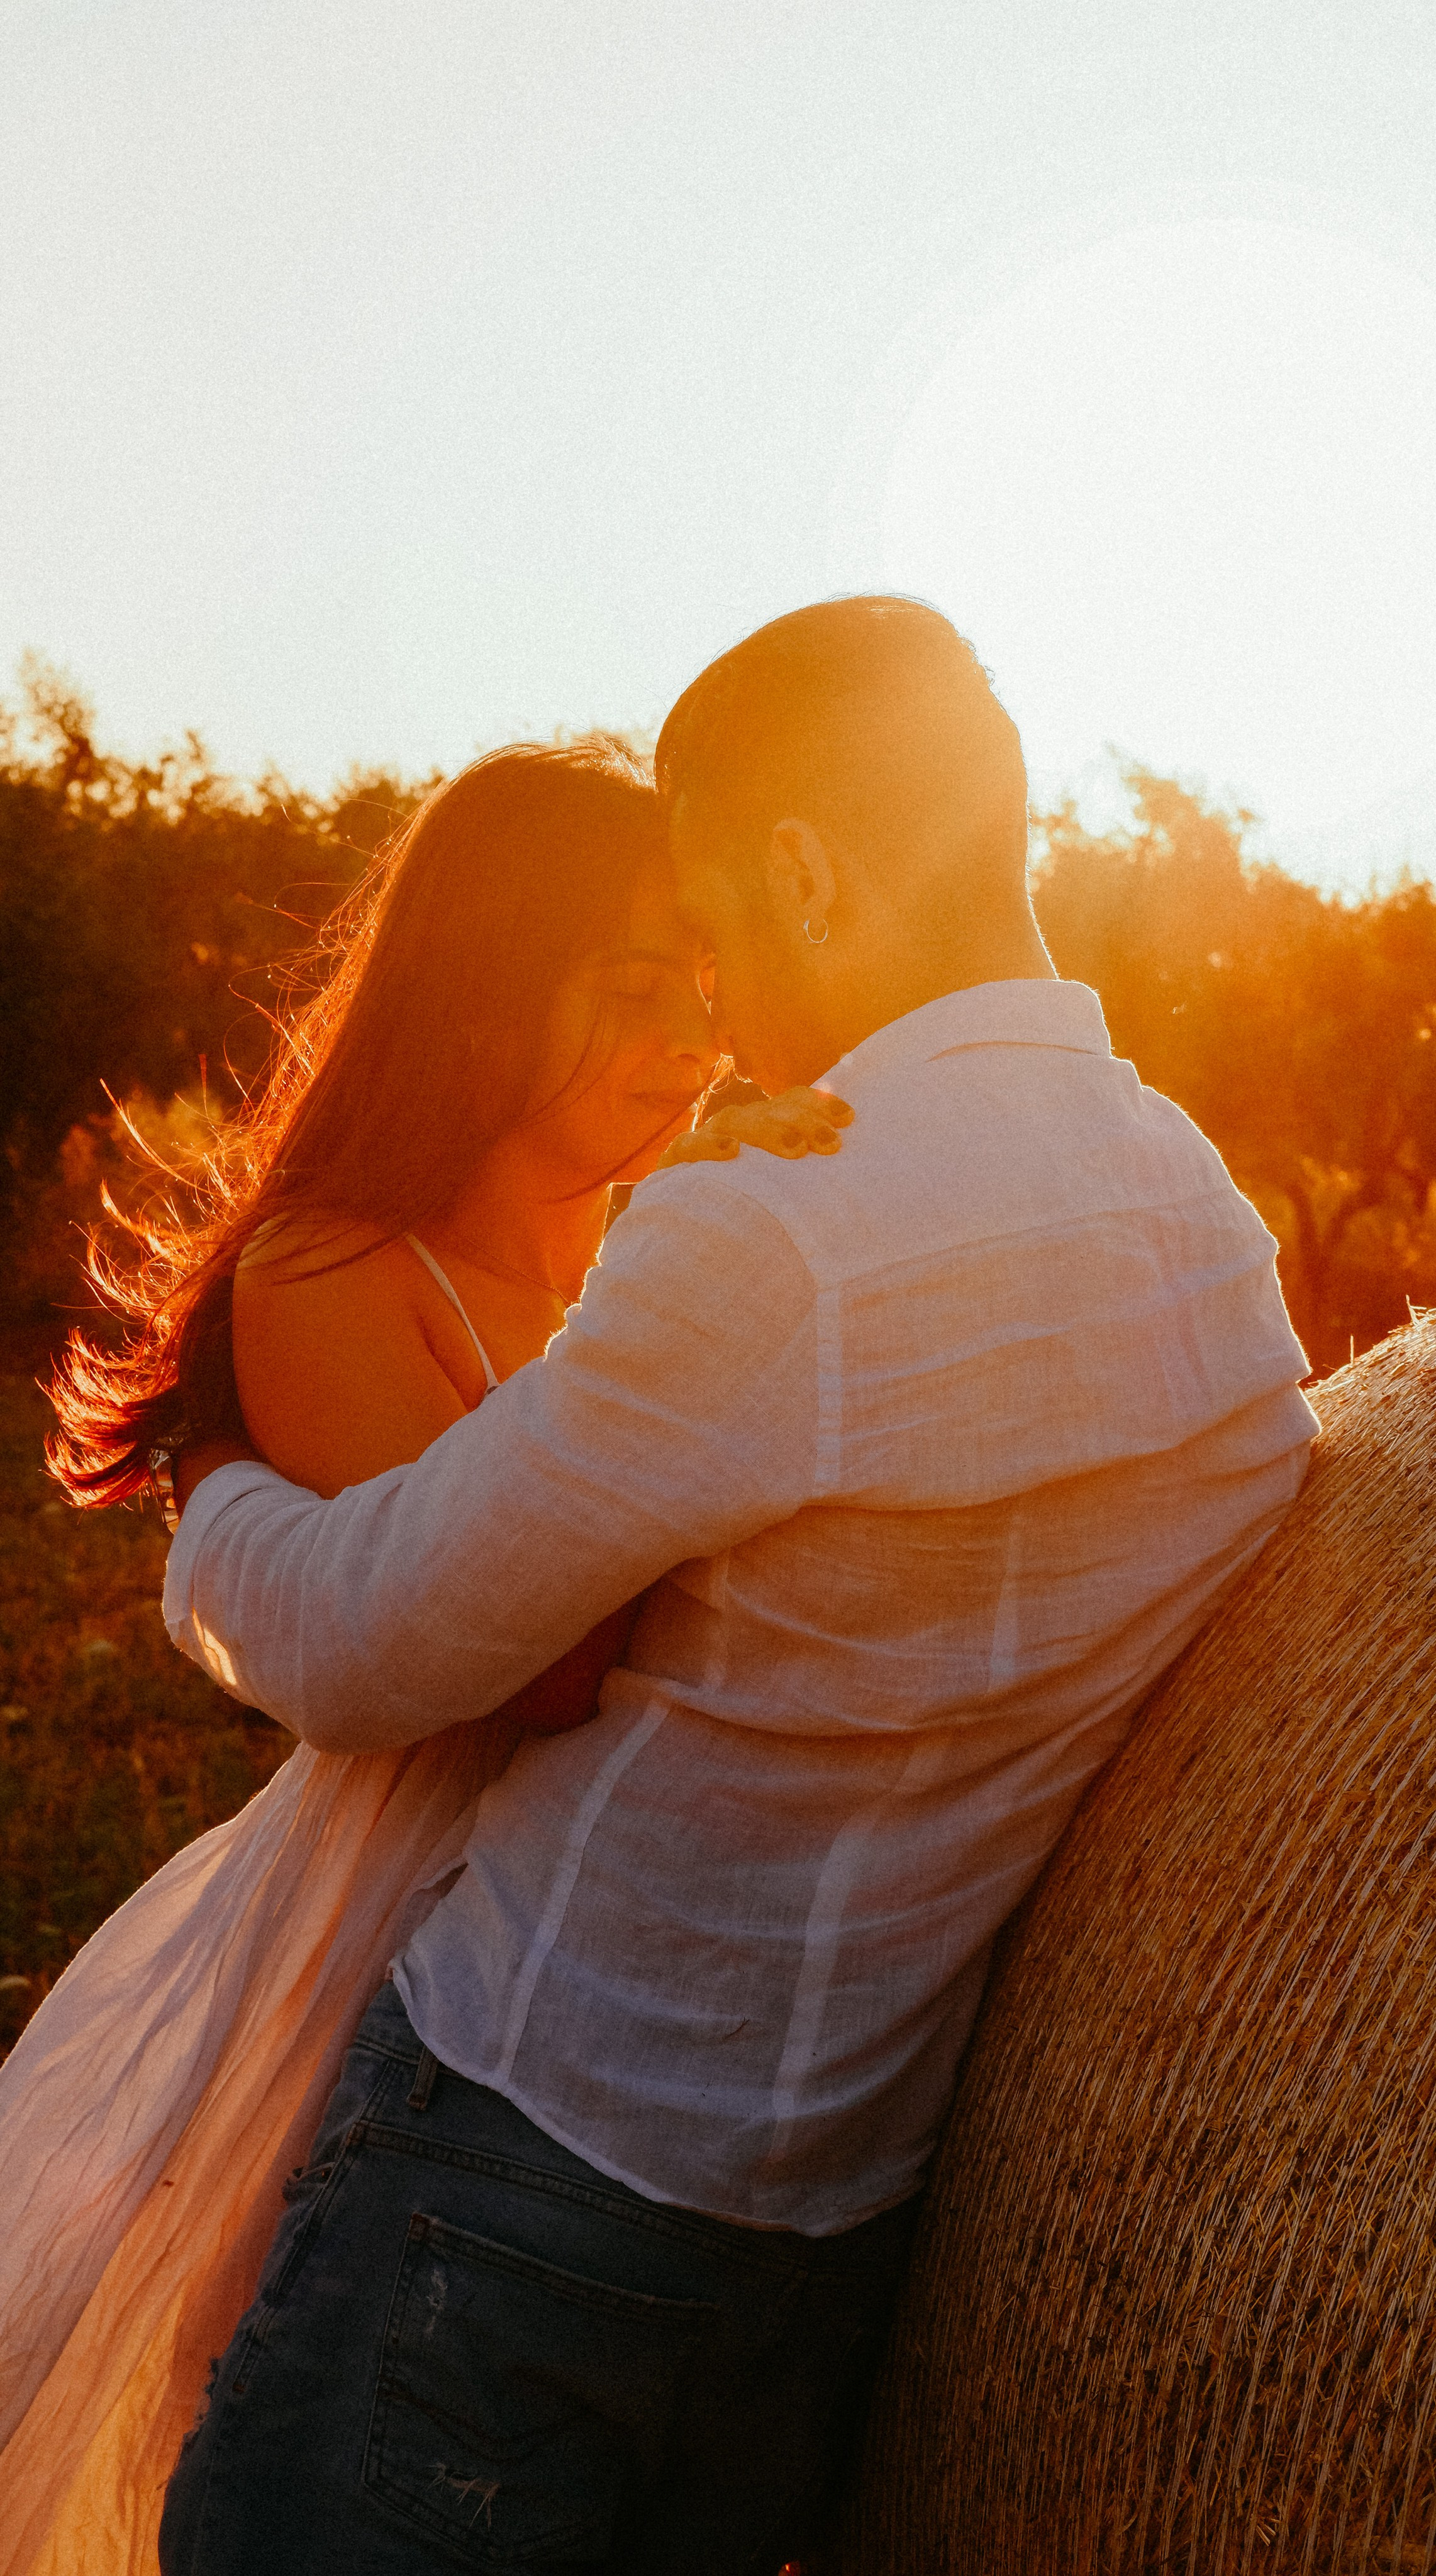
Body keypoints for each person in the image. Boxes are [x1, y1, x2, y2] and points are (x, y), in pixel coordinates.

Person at [159, 597, 1318, 2575]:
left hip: (517, 2172)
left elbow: (369, 1646)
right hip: (826, 2243)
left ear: (800, 869)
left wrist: (211, 1503)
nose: (709, 1003)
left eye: (709, 931)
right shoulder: (1208, 1244)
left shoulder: (784, 1237)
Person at [0, 734, 842, 2576]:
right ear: (478, 990)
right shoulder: (332, 1265)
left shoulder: (645, 1242)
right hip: (397, 1934)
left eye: (699, 982)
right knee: (295, 2389)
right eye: (624, 981)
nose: (685, 1027)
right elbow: (508, 1655)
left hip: (593, 1923)